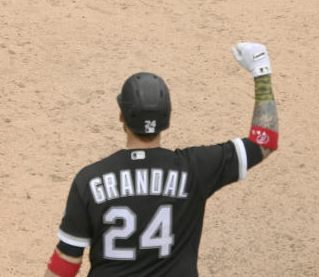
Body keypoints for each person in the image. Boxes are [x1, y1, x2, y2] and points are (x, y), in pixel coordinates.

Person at [44, 42, 280, 276]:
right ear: (167, 118)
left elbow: (66, 260)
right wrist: (261, 70)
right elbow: (264, 142)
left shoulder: (89, 180)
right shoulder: (195, 169)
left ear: (121, 117)